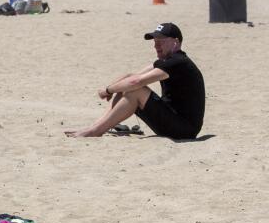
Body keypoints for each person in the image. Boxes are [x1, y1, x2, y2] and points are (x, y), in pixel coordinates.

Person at [65, 22, 205, 139]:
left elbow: (136, 82)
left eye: (161, 41)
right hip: (174, 123)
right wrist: (112, 88)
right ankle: (95, 127)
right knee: (126, 86)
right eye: (155, 41)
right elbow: (131, 76)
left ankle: (95, 131)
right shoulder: (167, 61)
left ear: (176, 42)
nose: (156, 45)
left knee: (135, 90)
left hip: (184, 130)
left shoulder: (177, 61)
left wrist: (108, 90)